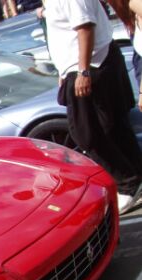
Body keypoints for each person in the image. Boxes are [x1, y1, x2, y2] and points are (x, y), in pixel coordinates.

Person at [46, 0, 142, 213]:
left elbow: (85, 27)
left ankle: (128, 183)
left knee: (85, 134)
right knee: (112, 127)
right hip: (85, 66)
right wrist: (64, 71)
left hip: (91, 66)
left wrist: (83, 71)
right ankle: (136, 177)